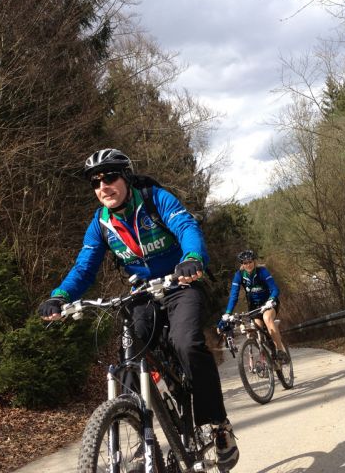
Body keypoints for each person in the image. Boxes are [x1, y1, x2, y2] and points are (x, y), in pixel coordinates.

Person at [37, 148, 239, 470]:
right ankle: (140, 429)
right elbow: (84, 268)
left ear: (126, 177)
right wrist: (60, 296)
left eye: (109, 177)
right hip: (142, 293)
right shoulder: (101, 224)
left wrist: (192, 258)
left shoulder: (155, 199)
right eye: (95, 182)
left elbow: (186, 227)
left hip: (181, 282)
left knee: (187, 343)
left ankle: (218, 424)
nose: (103, 186)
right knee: (130, 355)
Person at [224, 249, 289, 361]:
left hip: (269, 303)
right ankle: (268, 356)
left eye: (250, 262)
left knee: (267, 318)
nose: (248, 265)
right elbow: (234, 296)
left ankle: (280, 350)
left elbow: (275, 289)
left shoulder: (262, 271)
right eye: (245, 263)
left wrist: (271, 300)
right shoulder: (239, 275)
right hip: (254, 307)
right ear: (242, 264)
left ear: (254, 261)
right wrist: (228, 312)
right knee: (256, 328)